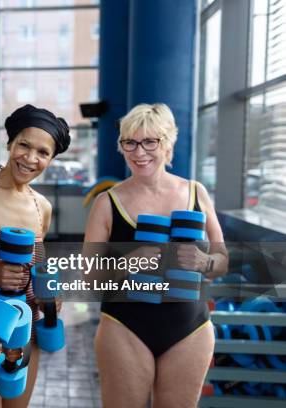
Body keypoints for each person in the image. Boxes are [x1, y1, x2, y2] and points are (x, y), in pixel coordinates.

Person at [84, 103, 228, 408]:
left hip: (190, 327)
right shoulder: (107, 203)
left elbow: (221, 261)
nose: (139, 152)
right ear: (121, 146)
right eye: (130, 142)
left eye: (150, 141)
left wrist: (204, 262)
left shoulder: (196, 193)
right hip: (125, 327)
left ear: (168, 143)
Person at [0, 104, 71, 407]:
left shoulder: (41, 207)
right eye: (24, 145)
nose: (31, 158)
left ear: (52, 159)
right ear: (10, 143)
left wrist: (51, 296)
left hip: (23, 330)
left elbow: (38, 268)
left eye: (43, 152)